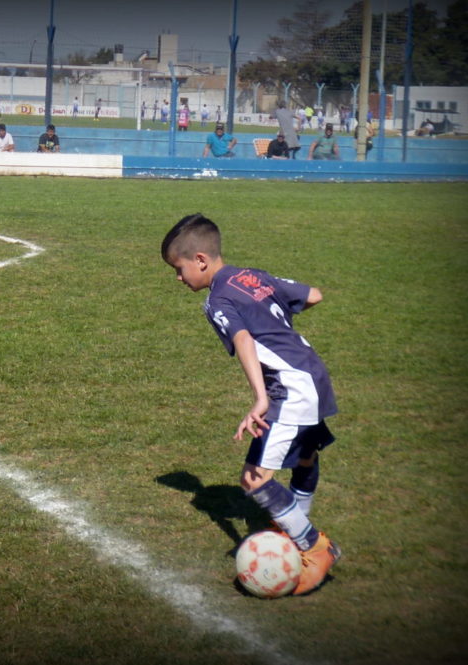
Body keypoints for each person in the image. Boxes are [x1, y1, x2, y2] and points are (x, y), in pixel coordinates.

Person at [160, 213, 342, 596]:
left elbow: (243, 339)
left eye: (178, 269)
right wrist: (277, 326)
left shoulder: (217, 299)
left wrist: (261, 398)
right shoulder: (252, 276)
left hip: (290, 387)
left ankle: (314, 547)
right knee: (305, 456)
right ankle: (294, 528)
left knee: (254, 479)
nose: (178, 278)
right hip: (313, 371)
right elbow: (313, 295)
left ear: (200, 260)